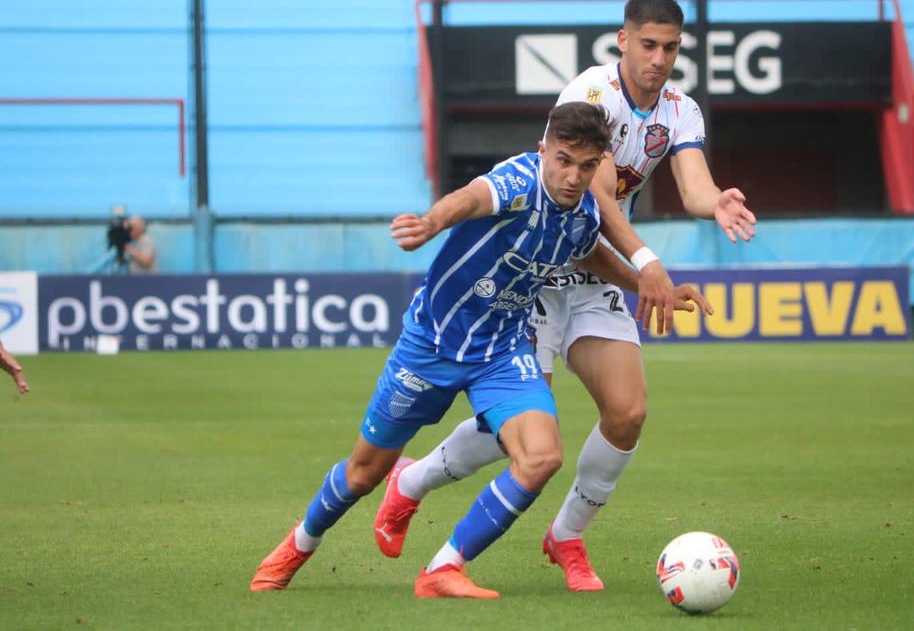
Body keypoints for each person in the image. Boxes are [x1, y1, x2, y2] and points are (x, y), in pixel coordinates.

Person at [372, 0, 757, 592]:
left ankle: (567, 535)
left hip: (596, 273)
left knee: (627, 412)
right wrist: (647, 262)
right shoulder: (591, 93)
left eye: (672, 48)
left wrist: (718, 203)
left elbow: (694, 187)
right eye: (649, 45)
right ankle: (411, 482)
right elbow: (600, 197)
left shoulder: (681, 111)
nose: (660, 58)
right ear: (624, 41)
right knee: (525, 430)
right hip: (538, 277)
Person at [250, 102, 705, 598]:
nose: (573, 176)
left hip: (502, 351)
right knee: (364, 473)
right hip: (431, 345)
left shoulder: (584, 211)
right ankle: (299, 543)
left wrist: (648, 285)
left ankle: (443, 568)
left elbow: (587, 251)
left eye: (587, 166)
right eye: (563, 160)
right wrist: (432, 222)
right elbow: (469, 198)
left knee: (541, 456)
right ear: (542, 151)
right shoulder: (518, 180)